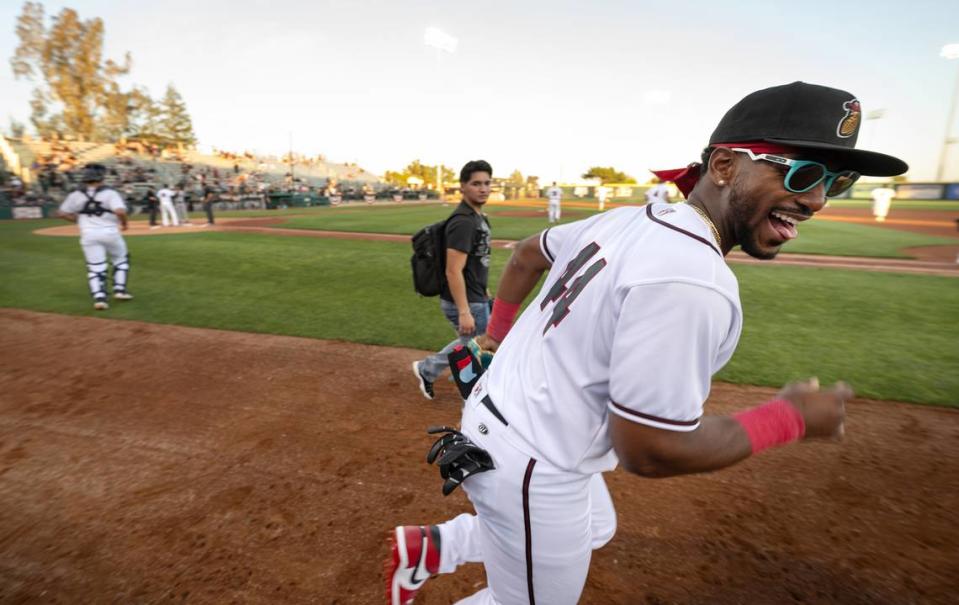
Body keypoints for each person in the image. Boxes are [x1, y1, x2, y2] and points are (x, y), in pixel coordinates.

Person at [387, 82, 907, 605]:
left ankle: (436, 545)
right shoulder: (691, 278)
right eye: (803, 173)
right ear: (725, 166)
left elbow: (525, 255)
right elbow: (651, 449)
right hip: (533, 461)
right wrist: (790, 417)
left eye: (838, 181)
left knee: (594, 526)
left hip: (504, 417)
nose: (817, 198)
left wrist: (497, 336)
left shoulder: (631, 218)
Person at [411, 160, 493, 400]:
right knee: (479, 345)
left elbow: (475, 262)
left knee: (473, 343)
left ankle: (432, 370)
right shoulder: (463, 222)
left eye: (487, 183)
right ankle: (437, 373)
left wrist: (484, 288)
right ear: (463, 187)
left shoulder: (478, 218)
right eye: (476, 183)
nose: (483, 188)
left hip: (475, 295)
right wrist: (464, 311)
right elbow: (453, 270)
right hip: (465, 300)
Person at [56, 163, 135, 310]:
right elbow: (120, 211)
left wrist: (78, 220)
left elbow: (61, 213)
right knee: (121, 259)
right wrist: (124, 224)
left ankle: (99, 298)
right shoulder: (110, 193)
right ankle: (119, 290)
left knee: (95, 267)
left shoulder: (75, 194)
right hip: (110, 233)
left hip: (88, 234)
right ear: (101, 177)